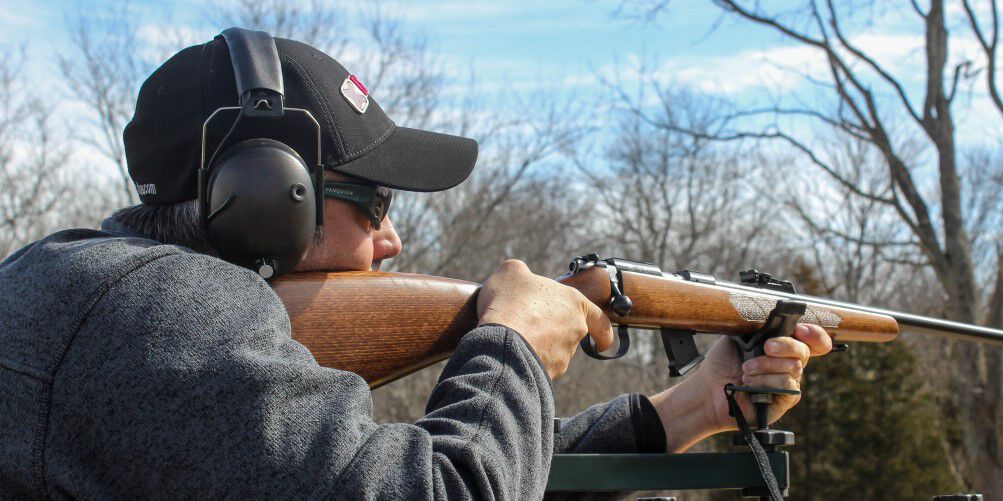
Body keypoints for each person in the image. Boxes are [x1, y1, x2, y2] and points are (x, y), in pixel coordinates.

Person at [0, 31, 832, 499]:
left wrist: (689, 408)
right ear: (265, 195)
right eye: (374, 202)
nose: (391, 241)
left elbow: (409, 467)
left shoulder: (99, 296)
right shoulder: (167, 311)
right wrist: (511, 341)